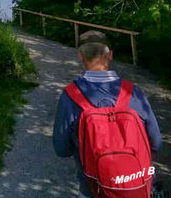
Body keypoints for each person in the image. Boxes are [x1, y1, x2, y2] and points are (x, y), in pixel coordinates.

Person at [52, 30, 162, 198]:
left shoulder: (71, 96)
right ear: (110, 55)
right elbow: (157, 143)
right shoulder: (133, 93)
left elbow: (62, 149)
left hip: (94, 190)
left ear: (80, 56)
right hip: (138, 187)